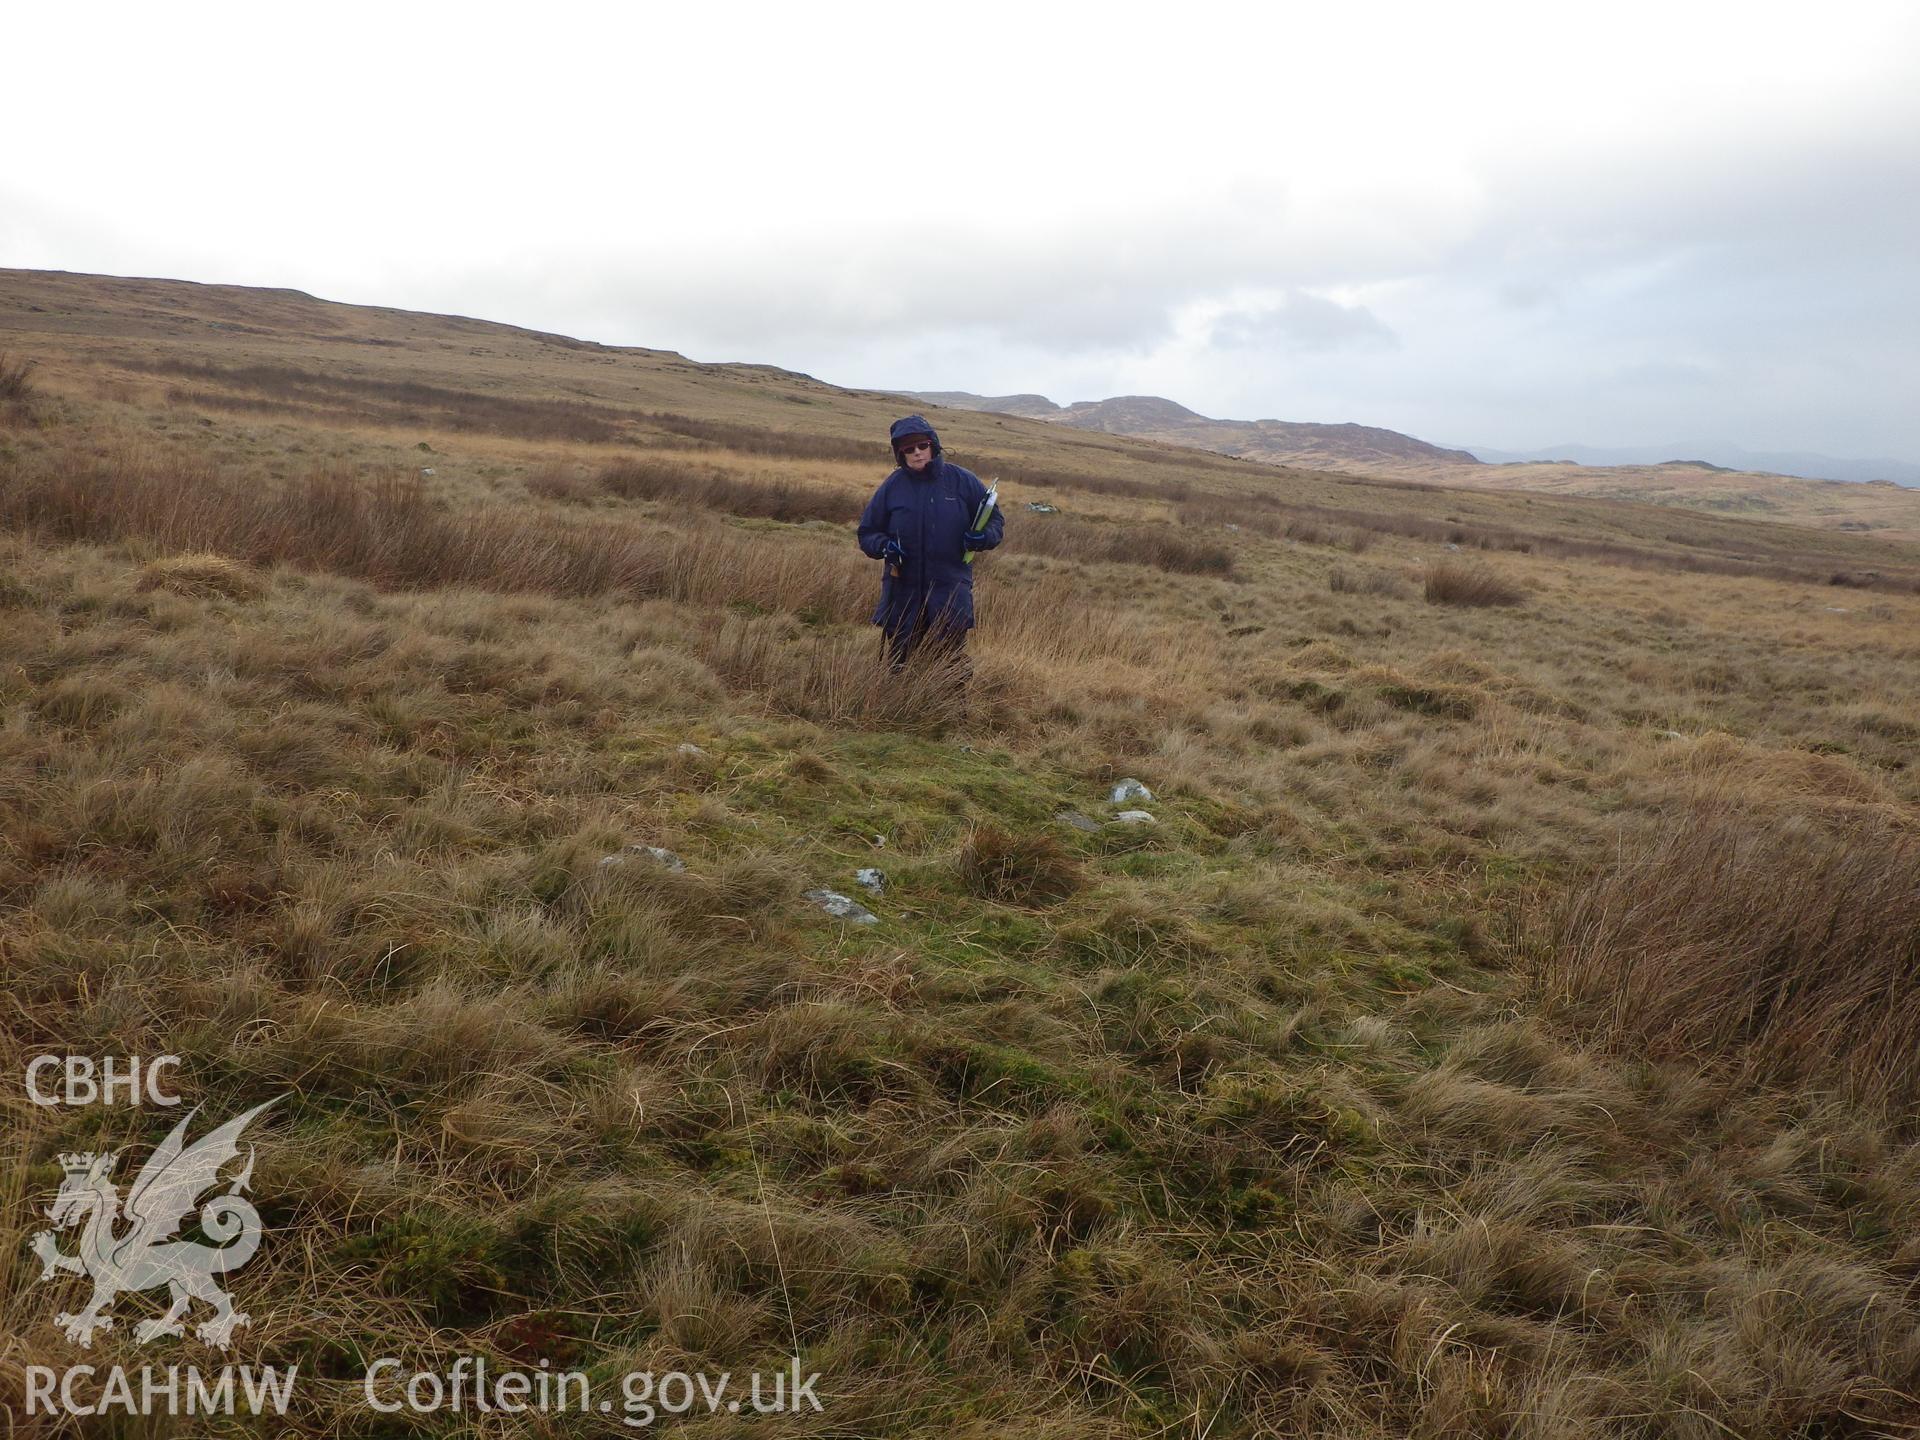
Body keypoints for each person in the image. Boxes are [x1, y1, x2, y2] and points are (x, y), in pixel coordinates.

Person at [857, 415, 1004, 670]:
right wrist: (884, 546)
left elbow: (995, 521)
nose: (917, 453)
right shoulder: (893, 486)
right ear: (900, 454)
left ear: (933, 445)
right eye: (908, 449)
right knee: (898, 667)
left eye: (921, 446)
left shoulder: (961, 480)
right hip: (902, 594)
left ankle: (952, 710)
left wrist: (984, 537)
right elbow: (867, 532)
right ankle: (897, 709)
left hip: (949, 593)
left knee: (950, 667)